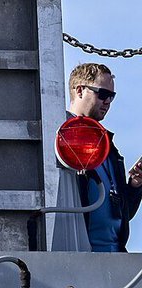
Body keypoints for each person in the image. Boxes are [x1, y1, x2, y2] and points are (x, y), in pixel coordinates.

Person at [67, 62, 142, 252]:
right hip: (79, 257)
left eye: (112, 96)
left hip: (113, 257)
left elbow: (122, 214)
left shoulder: (109, 148)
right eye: (103, 94)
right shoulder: (61, 137)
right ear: (80, 91)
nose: (108, 102)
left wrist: (134, 185)